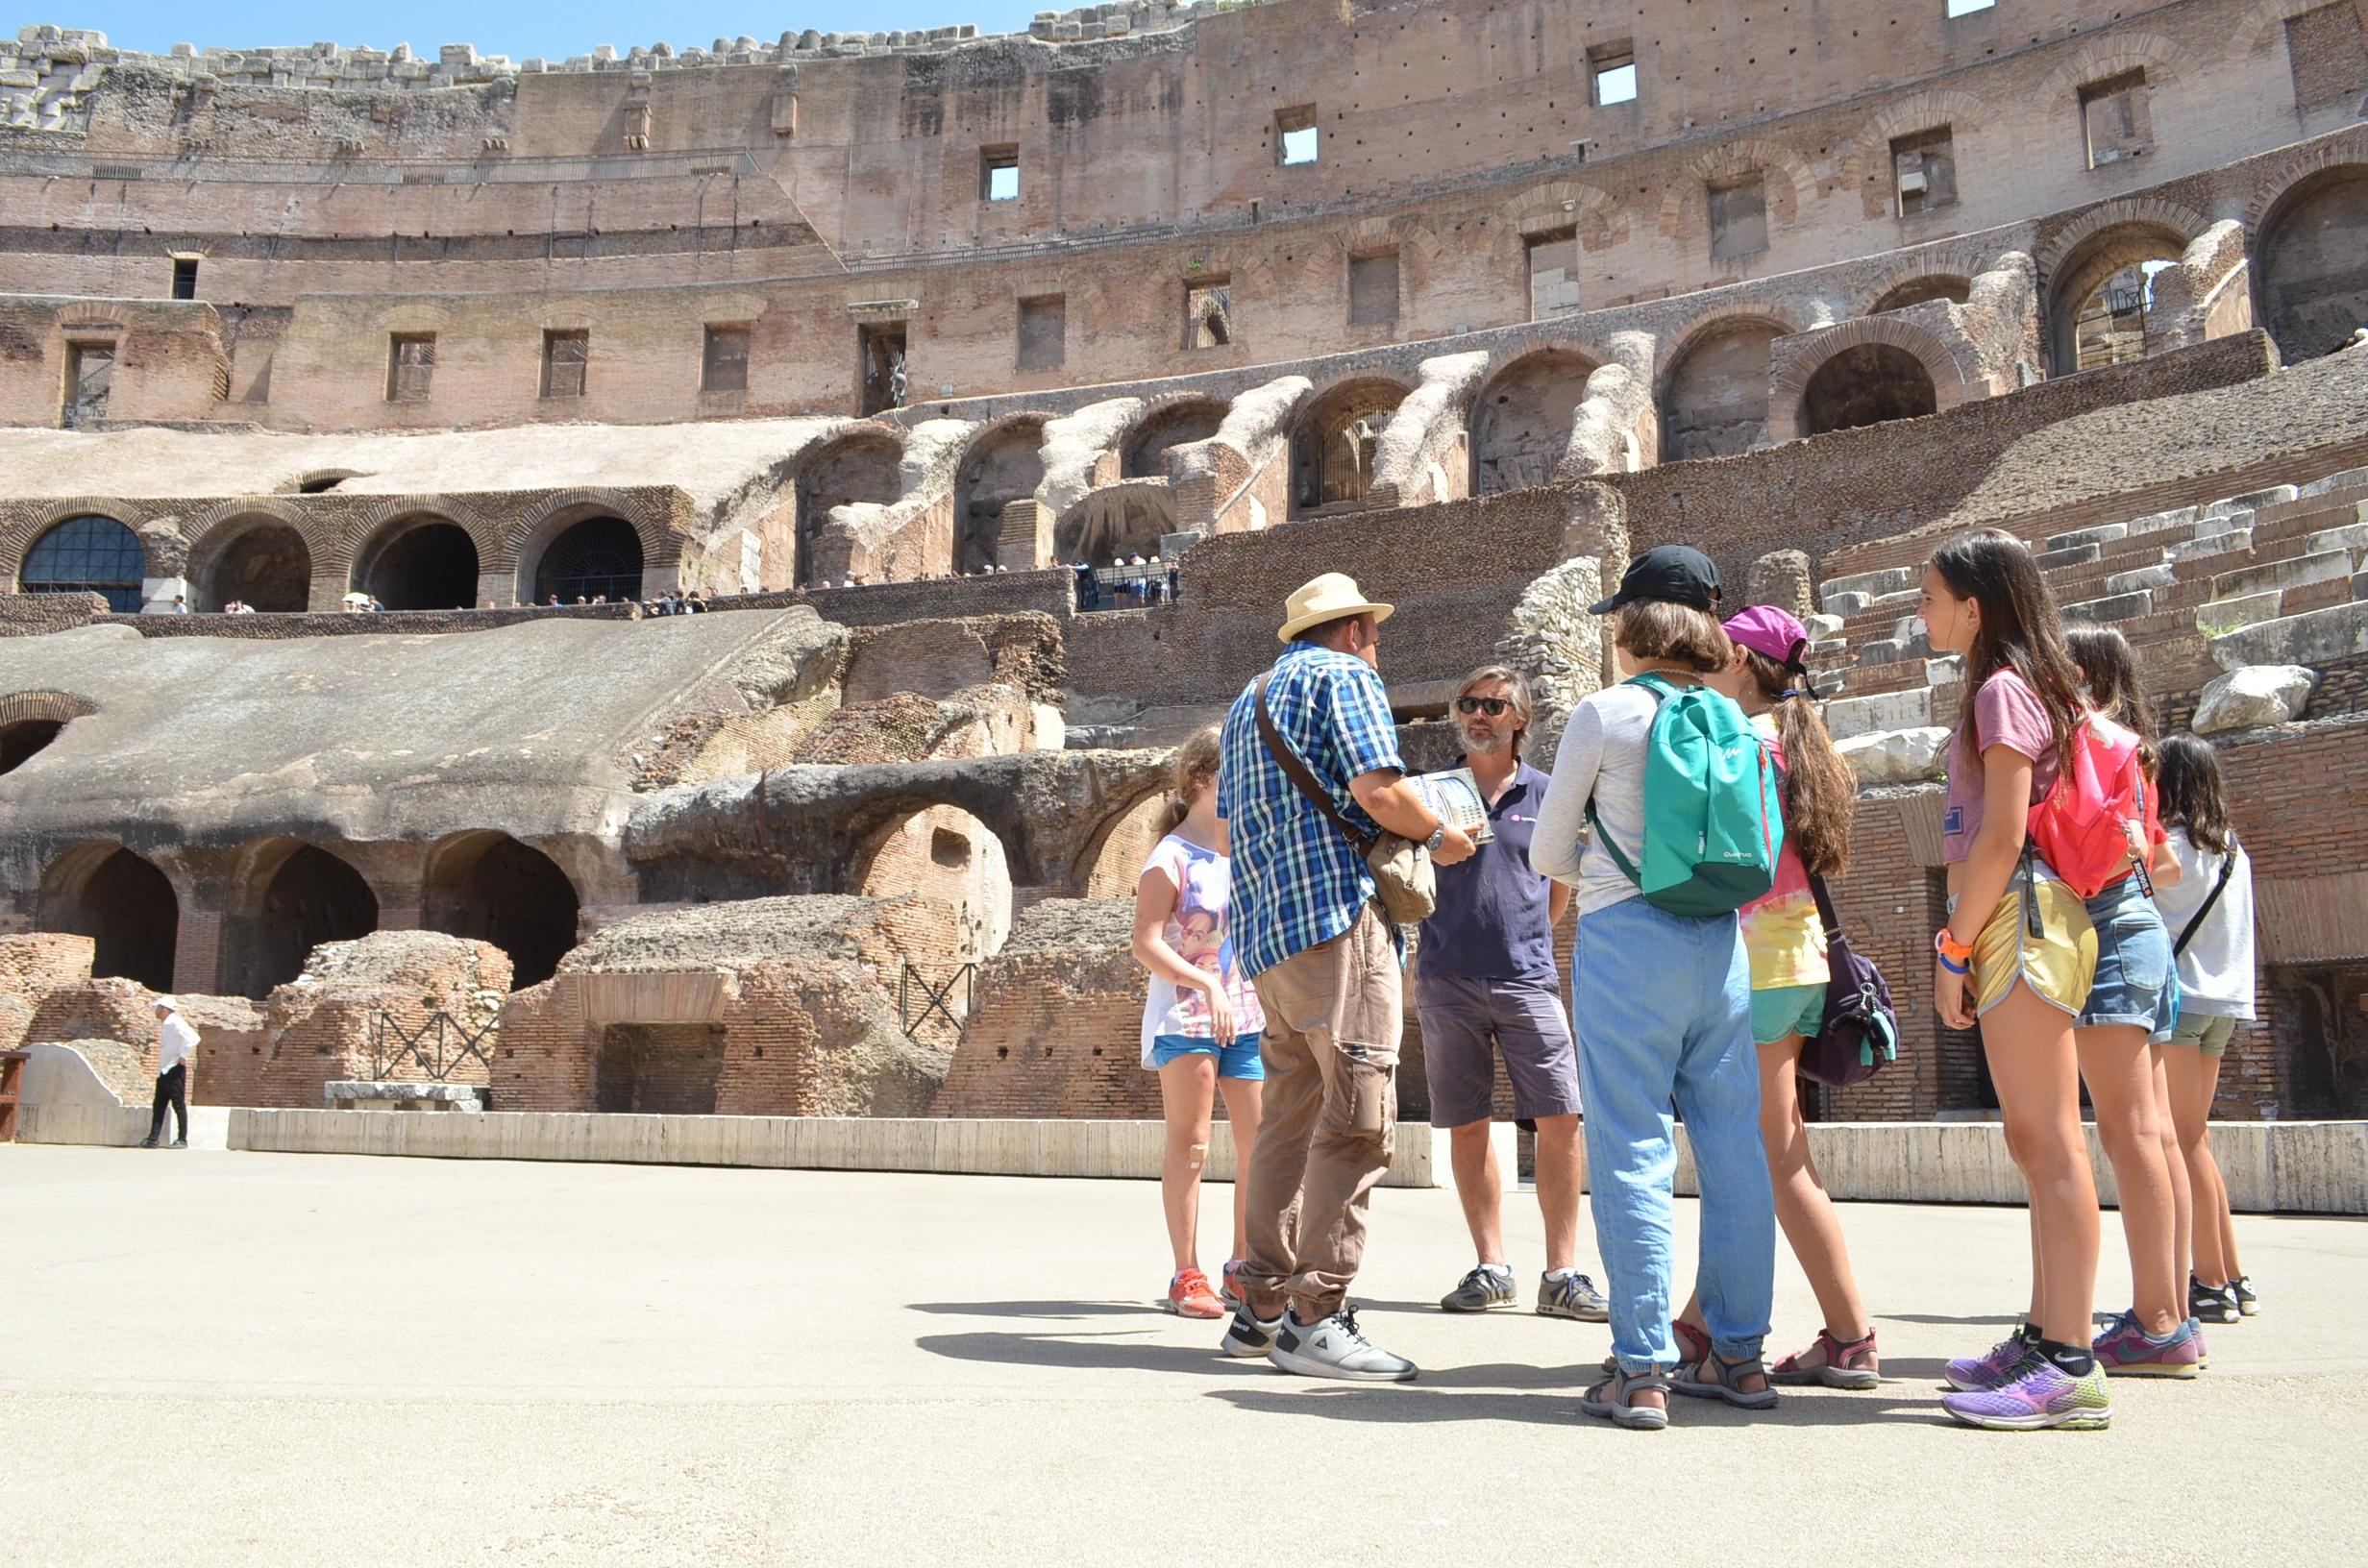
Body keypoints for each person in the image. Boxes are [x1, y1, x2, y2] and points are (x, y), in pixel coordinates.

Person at [1530, 546, 1776, 1432]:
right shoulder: (1741, 723)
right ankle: (1742, 1357)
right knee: (1733, 1147)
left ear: (1632, 626)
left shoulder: (1605, 715)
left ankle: (1641, 1369)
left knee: (1632, 1144)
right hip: (1720, 945)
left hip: (1626, 939)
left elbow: (1546, 853)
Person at [1214, 572, 1476, 1382]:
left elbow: (1229, 825)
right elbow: (1376, 789)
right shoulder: (1346, 676)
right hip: (1336, 922)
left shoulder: (1246, 701)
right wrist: (1441, 835)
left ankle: (1257, 1306)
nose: (1377, 643)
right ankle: (1317, 1317)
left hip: (1268, 937)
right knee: (1359, 1119)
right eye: (1374, 630)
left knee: (1286, 1123)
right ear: (1355, 628)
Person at [1920, 528, 2112, 1432]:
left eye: (1931, 597)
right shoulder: (2011, 685)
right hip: (2024, 914)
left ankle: (2069, 1362)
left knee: (2049, 1142)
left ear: (1975, 607)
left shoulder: (2002, 689)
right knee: (2036, 1144)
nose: (1921, 612)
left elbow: (2000, 836)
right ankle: (2045, 1334)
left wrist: (1952, 949)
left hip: (2020, 915)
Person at [1662, 605, 1880, 1389]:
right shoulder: (1798, 743)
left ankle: (1852, 1336)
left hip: (1758, 964)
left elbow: (1735, 861)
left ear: (1744, 668)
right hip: (1799, 961)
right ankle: (1695, 1322)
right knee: (1768, 1147)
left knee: (1774, 1160)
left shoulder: (1747, 744)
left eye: (1715, 659)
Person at [1416, 665, 1605, 1323]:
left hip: (1527, 978)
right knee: (1468, 1125)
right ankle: (1491, 1266)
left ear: (1519, 718)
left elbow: (1559, 884)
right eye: (1467, 703)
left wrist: (1522, 938)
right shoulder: (1429, 793)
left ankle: (1563, 1273)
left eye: (1493, 705)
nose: (1478, 714)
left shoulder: (1552, 794)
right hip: (1446, 979)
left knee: (1560, 1119)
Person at [2062, 625, 2200, 1379]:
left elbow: (2124, 851)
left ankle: (2156, 1322)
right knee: (2154, 1135)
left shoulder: (2095, 743)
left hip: (2111, 928)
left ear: (2077, 672)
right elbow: (2161, 857)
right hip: (2145, 931)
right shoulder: (2136, 750)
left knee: (2130, 1134)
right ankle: (2170, 1313)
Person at [1130, 726, 1266, 1318]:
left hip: (1248, 1008)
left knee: (1260, 1144)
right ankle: (1187, 1273)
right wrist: (1204, 981)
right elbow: (1145, 943)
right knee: (1192, 1144)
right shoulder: (1170, 857)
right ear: (1203, 780)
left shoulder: (1247, 849)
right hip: (1187, 1011)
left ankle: (1245, 1266)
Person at [2153, 733, 2260, 1324]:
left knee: (2180, 1141)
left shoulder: (2171, 848)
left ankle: (2212, 1282)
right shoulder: (2233, 850)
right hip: (2225, 1004)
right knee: (2196, 1140)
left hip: (2182, 1003)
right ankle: (2233, 1276)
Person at [138, 997, 199, 1149]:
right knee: (158, 1105)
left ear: (165, 1009)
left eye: (157, 1008)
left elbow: (194, 1038)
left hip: (174, 1069)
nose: (155, 1011)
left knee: (178, 1104)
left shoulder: (175, 1022)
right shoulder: (167, 1024)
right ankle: (153, 1138)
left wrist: (183, 1056)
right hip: (164, 1070)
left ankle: (182, 1139)